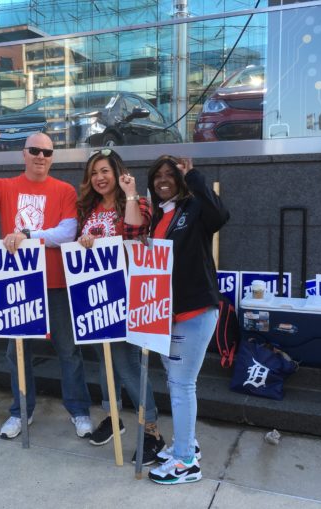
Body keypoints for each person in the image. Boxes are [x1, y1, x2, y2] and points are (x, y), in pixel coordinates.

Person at [0, 125, 93, 439]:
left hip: (57, 283)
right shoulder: (7, 187)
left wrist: (28, 236)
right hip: (18, 285)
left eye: (46, 152)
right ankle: (21, 411)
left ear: (52, 157)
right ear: (24, 154)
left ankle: (79, 411)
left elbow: (67, 233)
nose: (40, 156)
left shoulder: (64, 190)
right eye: (34, 150)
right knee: (16, 353)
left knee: (68, 350)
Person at [75, 148, 165, 465]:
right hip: (93, 297)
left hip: (127, 295)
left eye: (105, 171)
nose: (99, 178)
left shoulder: (137, 203)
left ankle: (152, 429)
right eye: (94, 173)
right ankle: (114, 417)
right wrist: (84, 242)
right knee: (103, 361)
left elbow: (135, 234)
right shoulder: (88, 208)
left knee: (127, 365)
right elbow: (79, 250)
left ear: (118, 173)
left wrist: (129, 194)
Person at [145, 155, 229, 485]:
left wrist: (194, 176)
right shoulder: (159, 216)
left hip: (194, 312)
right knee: (175, 380)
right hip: (168, 314)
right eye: (157, 176)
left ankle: (185, 463)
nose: (163, 180)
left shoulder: (193, 209)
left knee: (181, 384)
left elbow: (220, 215)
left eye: (170, 175)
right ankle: (186, 442)